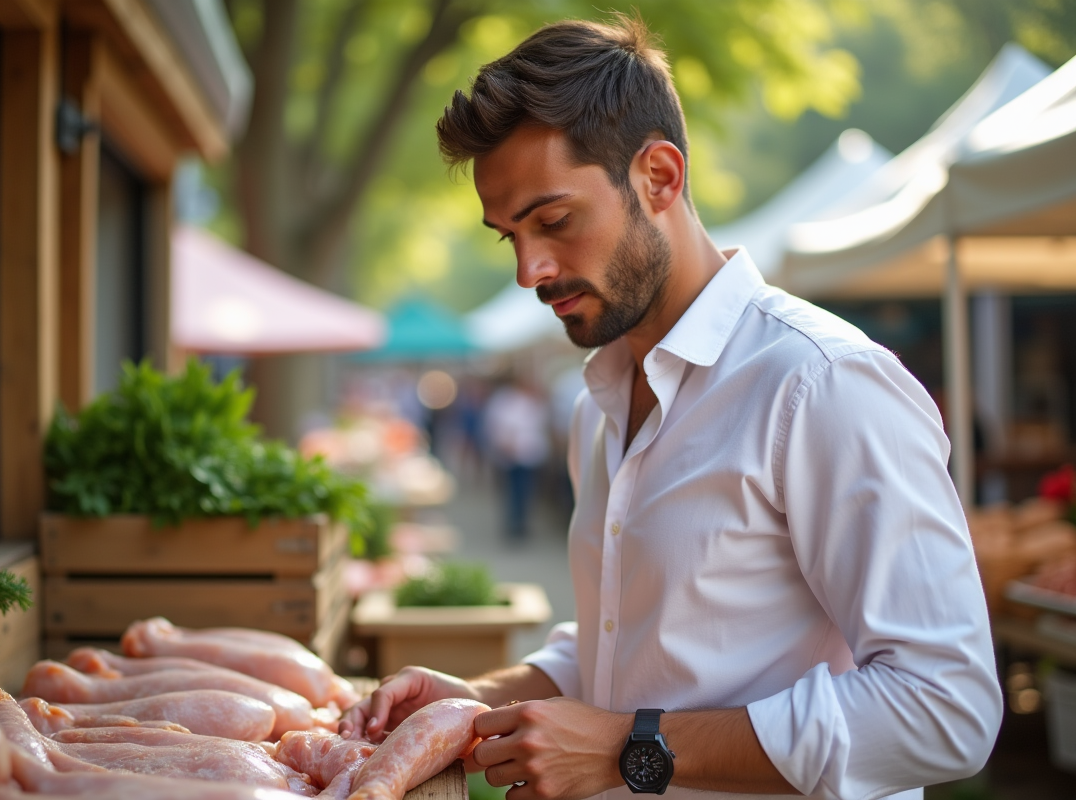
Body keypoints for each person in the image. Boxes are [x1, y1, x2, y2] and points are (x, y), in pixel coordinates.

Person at [340, 16, 1001, 800]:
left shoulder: (822, 382)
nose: (529, 270)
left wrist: (631, 747)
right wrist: (485, 696)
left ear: (659, 176)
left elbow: (947, 708)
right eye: (507, 236)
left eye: (553, 221)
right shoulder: (601, 398)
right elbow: (635, 644)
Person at [483, 376, 550, 538]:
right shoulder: (506, 401)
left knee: (524, 491)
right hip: (511, 455)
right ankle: (514, 523)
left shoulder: (531, 402)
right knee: (514, 491)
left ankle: (520, 523)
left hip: (527, 455)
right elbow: (497, 425)